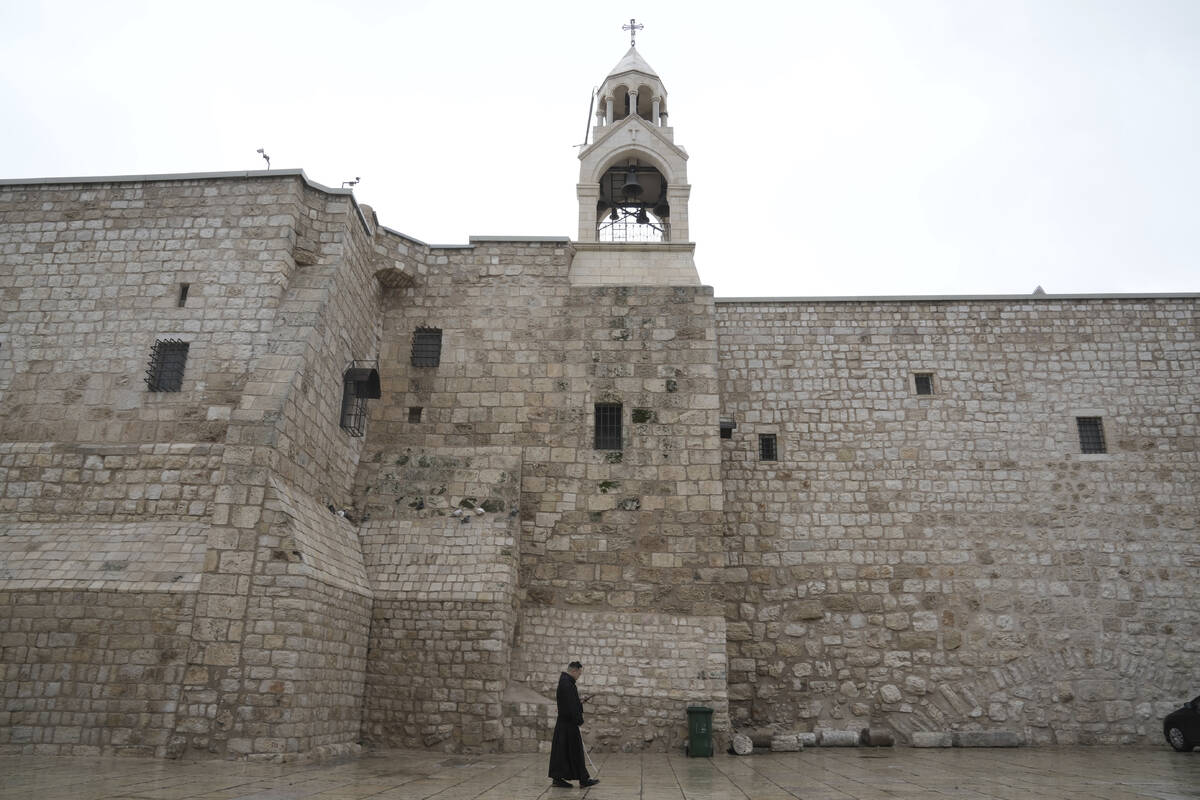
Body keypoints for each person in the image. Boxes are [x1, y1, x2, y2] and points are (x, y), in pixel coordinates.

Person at [548, 661, 599, 788]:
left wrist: (579, 701)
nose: (579, 676)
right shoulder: (568, 684)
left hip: (564, 723)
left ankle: (558, 778)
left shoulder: (565, 682)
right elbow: (571, 706)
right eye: (579, 674)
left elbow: (569, 702)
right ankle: (583, 779)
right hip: (569, 724)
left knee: (562, 751)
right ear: (574, 671)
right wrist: (579, 720)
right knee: (575, 752)